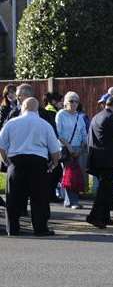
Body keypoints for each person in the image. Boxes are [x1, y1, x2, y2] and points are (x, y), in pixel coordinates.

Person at [0, 98, 62, 236]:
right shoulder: (45, 125)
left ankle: (13, 229)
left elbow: (2, 146)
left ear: (23, 107)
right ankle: (40, 228)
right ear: (37, 108)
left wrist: (6, 162)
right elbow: (55, 151)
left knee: (13, 198)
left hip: (16, 162)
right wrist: (54, 163)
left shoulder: (11, 123)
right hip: (38, 162)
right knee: (39, 198)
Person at [87, 96, 113, 228]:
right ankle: (95, 216)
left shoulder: (97, 116)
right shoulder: (112, 118)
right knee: (104, 190)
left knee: (107, 189)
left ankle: (105, 216)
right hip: (107, 159)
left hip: (97, 157)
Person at [55, 92, 88, 210]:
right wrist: (69, 147)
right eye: (71, 101)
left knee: (78, 174)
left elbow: (84, 133)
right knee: (70, 174)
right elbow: (58, 133)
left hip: (79, 149)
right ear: (65, 103)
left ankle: (69, 201)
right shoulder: (60, 114)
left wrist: (83, 146)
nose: (74, 104)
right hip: (66, 148)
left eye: (76, 101)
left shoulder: (80, 116)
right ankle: (73, 201)